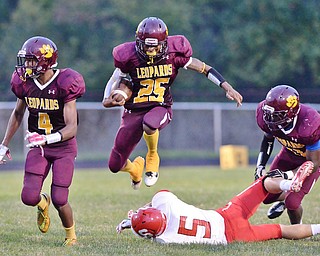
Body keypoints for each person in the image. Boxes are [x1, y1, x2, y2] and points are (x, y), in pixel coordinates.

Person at [102, 17, 243, 190]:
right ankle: (136, 170)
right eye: (146, 45)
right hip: (133, 110)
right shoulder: (129, 56)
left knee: (150, 123)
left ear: (164, 43)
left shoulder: (174, 55)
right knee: (115, 165)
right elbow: (117, 77)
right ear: (138, 42)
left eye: (155, 46)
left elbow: (205, 68)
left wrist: (227, 87)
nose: (151, 50)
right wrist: (109, 96)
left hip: (160, 106)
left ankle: (152, 155)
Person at [0, 36, 86, 246]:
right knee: (28, 197)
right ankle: (42, 202)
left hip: (63, 147)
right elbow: (18, 114)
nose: (26, 66)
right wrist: (4, 144)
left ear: (45, 61)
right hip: (38, 147)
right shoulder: (25, 83)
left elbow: (72, 127)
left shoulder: (65, 82)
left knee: (60, 197)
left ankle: (71, 236)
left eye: (30, 61)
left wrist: (48, 138)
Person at [116, 161, 320, 244]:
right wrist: (135, 217)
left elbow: (149, 231)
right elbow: (157, 200)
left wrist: (132, 224)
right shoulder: (167, 204)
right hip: (226, 215)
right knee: (264, 183)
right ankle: (287, 182)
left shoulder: (165, 239)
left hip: (233, 237)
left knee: (280, 230)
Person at [254, 85, 320, 224]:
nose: (271, 119)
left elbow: (313, 163)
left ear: (291, 113)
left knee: (292, 203)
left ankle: (297, 227)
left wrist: (287, 175)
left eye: (276, 115)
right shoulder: (266, 116)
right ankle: (284, 198)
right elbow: (268, 139)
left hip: (311, 162)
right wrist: (260, 165)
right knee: (265, 194)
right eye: (269, 114)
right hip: (288, 155)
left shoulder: (309, 123)